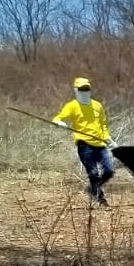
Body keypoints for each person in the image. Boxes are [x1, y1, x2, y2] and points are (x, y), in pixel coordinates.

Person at [52, 76, 114, 205]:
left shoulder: (97, 105)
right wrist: (59, 123)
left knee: (109, 171)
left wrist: (108, 138)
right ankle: (100, 197)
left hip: (100, 143)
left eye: (86, 89)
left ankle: (92, 189)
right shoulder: (72, 106)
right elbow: (58, 118)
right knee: (93, 172)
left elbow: (103, 124)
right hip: (84, 144)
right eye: (82, 89)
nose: (84, 91)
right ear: (76, 90)